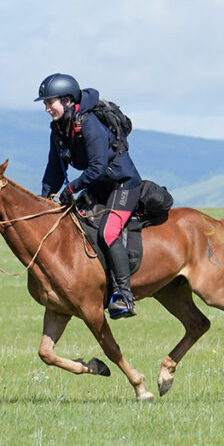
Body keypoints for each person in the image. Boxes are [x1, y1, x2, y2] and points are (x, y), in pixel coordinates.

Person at [36, 73, 142, 319]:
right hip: (98, 186)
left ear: (67, 100)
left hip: (123, 185)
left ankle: (123, 296)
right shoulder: (59, 129)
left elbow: (97, 166)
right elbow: (54, 169)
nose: (47, 108)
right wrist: (43, 200)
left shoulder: (89, 123)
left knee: (108, 232)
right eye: (45, 104)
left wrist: (71, 189)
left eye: (50, 103)